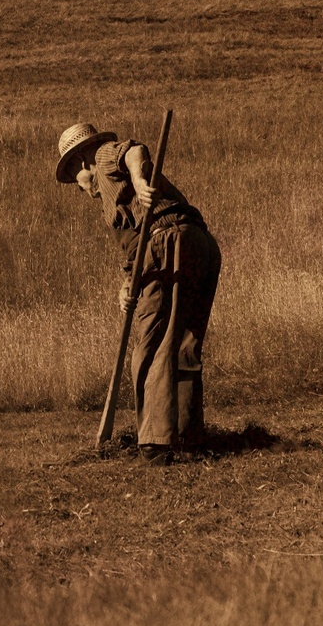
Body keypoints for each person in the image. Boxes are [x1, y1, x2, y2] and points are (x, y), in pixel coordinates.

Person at [55, 121, 221, 464]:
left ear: (81, 160)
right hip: (198, 244)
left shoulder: (100, 158)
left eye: (74, 175)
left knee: (150, 347)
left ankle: (156, 443)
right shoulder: (111, 198)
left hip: (168, 240)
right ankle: (188, 437)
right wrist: (128, 283)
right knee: (183, 345)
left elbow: (135, 151)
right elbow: (134, 247)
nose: (77, 184)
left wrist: (140, 180)